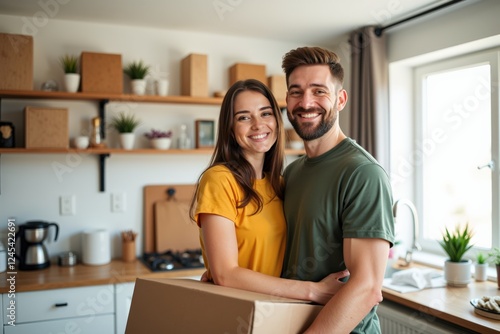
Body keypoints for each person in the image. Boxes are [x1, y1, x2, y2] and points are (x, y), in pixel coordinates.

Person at [190, 79, 348, 304]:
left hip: (276, 313)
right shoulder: (219, 180)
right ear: (230, 128)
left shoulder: (281, 184)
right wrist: (312, 291)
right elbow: (225, 274)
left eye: (265, 114)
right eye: (244, 117)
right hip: (235, 312)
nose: (257, 124)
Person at [280, 46, 395, 333]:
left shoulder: (362, 173)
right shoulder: (292, 172)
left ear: (340, 99)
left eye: (319, 91)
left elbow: (367, 287)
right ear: (287, 100)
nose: (306, 102)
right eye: (296, 91)